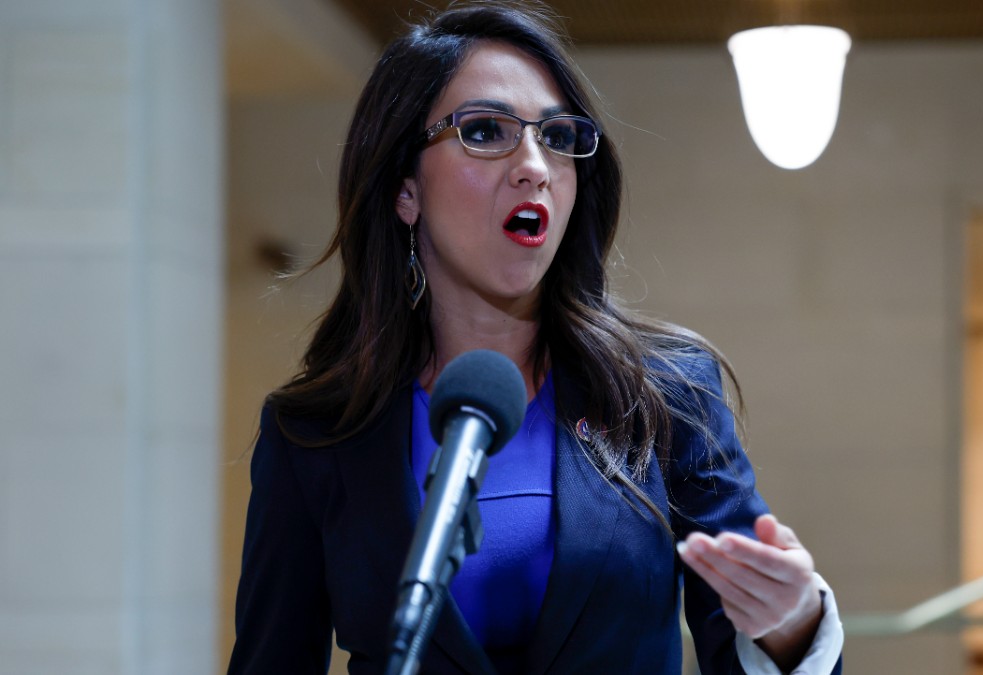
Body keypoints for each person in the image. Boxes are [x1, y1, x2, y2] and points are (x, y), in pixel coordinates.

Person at [228, 2, 843, 674]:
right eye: (486, 131)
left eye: (556, 136)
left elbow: (747, 635)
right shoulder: (314, 433)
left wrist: (792, 624)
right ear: (405, 189)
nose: (534, 165)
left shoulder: (667, 391)